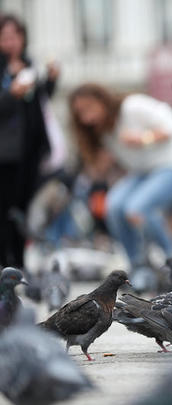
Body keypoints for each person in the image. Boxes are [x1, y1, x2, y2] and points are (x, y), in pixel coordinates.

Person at [69, 83, 172, 269]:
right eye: (80, 114)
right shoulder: (102, 132)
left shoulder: (132, 106)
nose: (87, 118)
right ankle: (138, 266)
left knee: (137, 208)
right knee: (112, 205)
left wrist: (144, 138)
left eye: (89, 109)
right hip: (143, 173)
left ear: (102, 101)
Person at [0, 14, 59, 267]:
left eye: (15, 36)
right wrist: (11, 94)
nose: (10, 42)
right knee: (5, 210)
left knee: (22, 209)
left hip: (29, 149)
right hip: (4, 153)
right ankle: (4, 263)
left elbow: (40, 99)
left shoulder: (29, 65)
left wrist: (52, 80)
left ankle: (19, 264)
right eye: (4, 36)